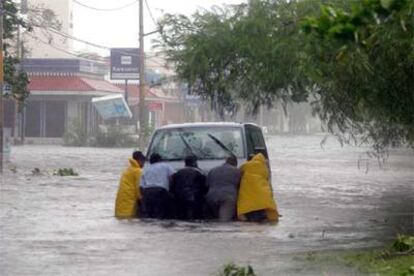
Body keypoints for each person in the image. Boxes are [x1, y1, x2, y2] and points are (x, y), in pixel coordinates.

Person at [237, 153, 279, 223]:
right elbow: (267, 179)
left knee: (250, 210)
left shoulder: (247, 165)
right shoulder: (264, 168)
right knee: (261, 208)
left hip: (250, 194)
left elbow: (240, 170)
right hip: (263, 193)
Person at [205, 155, 241, 222]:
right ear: (235, 163)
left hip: (211, 197)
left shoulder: (213, 170)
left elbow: (207, 184)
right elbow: (240, 185)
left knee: (214, 221)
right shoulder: (237, 171)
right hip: (228, 198)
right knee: (224, 222)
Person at [170, 156, 207, 220]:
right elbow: (204, 187)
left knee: (181, 217)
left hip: (179, 197)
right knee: (197, 217)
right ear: (194, 163)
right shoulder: (199, 173)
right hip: (195, 198)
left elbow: (172, 187)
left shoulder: (177, 173)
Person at [140, 153, 175, 219]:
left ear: (150, 161)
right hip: (160, 192)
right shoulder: (166, 166)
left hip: (147, 193)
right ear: (160, 159)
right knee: (160, 215)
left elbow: (141, 186)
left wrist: (143, 198)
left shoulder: (145, 169)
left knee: (148, 216)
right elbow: (172, 177)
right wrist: (171, 192)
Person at [114, 151, 146, 219]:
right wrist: (141, 201)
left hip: (121, 198)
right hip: (130, 200)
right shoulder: (138, 171)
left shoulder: (127, 170)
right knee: (130, 220)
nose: (144, 163)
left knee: (121, 219)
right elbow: (138, 188)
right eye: (143, 161)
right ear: (139, 160)